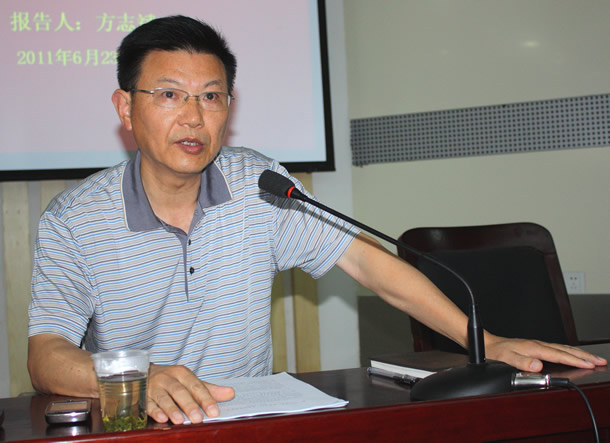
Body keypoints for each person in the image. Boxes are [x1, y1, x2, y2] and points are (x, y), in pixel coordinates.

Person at [27, 15, 606, 426]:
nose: (194, 117)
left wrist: (487, 341)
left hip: (251, 423)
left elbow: (372, 266)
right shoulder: (76, 220)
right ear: (126, 107)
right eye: (170, 95)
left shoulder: (257, 187)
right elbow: (47, 353)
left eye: (211, 96)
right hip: (141, 425)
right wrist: (142, 377)